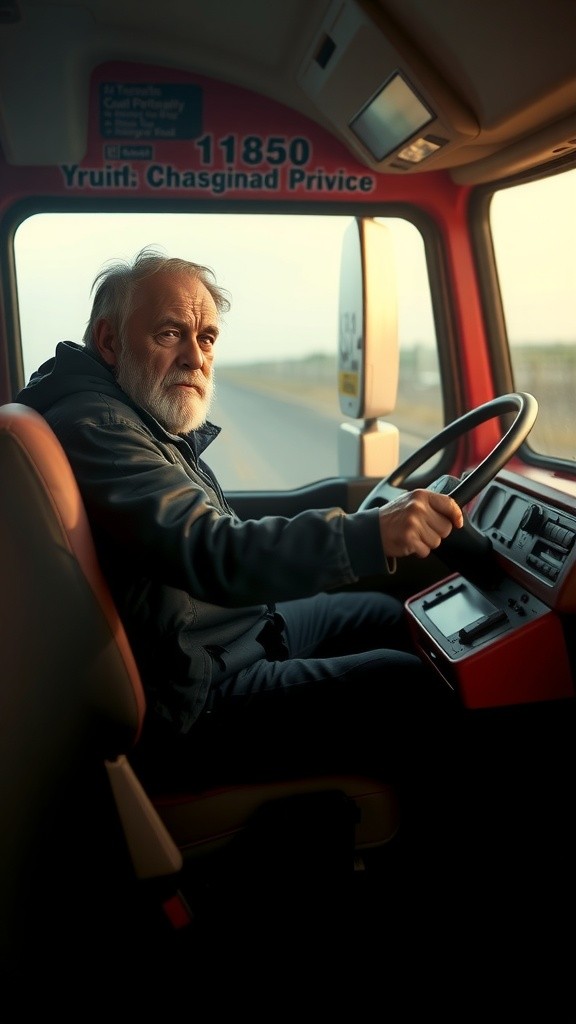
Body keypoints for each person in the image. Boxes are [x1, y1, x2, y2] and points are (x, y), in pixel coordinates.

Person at [17, 246, 466, 799]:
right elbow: (210, 549)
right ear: (109, 342)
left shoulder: (127, 413)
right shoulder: (98, 426)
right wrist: (370, 533)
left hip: (218, 636)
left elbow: (205, 529)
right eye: (170, 333)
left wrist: (356, 529)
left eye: (206, 339)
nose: (195, 358)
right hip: (197, 690)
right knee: (408, 684)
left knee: (382, 612)